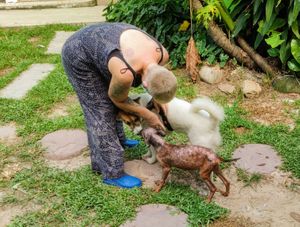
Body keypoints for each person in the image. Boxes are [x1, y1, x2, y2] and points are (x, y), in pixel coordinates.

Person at [61, 22, 177, 189]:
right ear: (144, 82)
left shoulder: (162, 54)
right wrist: (149, 115)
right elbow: (118, 100)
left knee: (111, 98)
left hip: (103, 47)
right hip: (78, 54)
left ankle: (120, 141)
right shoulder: (124, 73)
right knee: (101, 109)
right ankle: (111, 172)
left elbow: (156, 81)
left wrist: (157, 100)